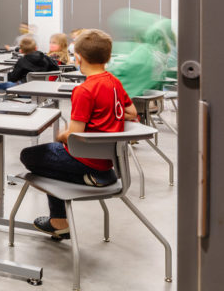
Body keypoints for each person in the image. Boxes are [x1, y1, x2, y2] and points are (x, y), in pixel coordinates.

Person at [19, 29, 137, 239]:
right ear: (107, 58)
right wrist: (111, 116)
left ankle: (61, 218)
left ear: (79, 57)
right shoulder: (114, 82)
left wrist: (59, 136)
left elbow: (73, 135)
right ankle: (93, 181)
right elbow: (132, 112)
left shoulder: (84, 90)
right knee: (46, 156)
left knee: (29, 156)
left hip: (84, 160)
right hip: (107, 160)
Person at [0, 36, 59, 102]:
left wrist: (9, 74)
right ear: (36, 48)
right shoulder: (45, 58)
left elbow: (13, 78)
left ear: (21, 50)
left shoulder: (22, 61)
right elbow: (56, 68)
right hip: (43, 91)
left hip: (25, 92)